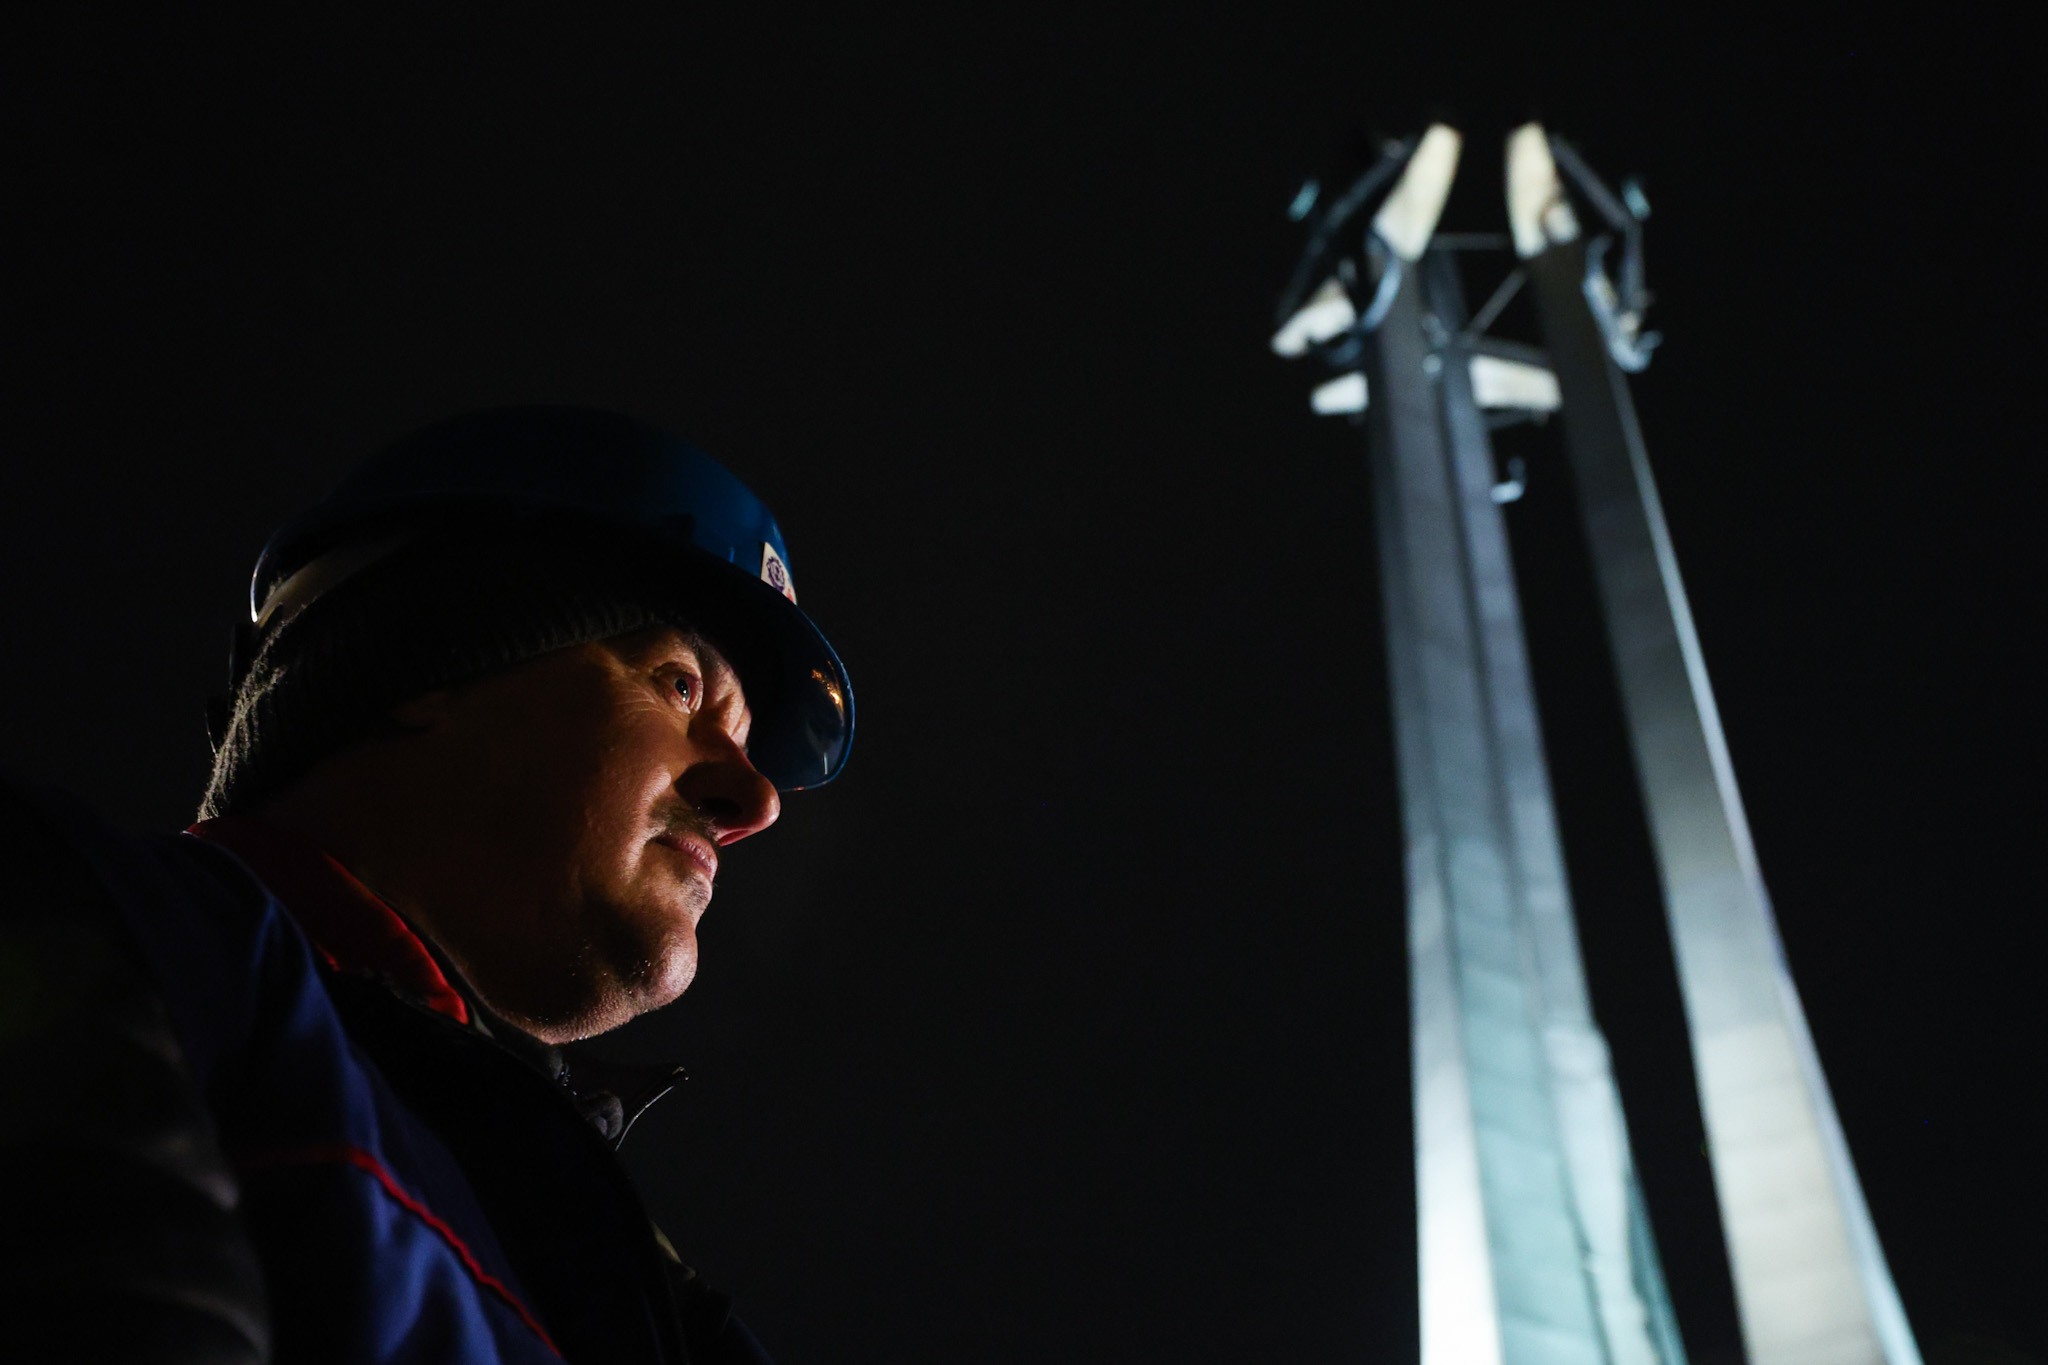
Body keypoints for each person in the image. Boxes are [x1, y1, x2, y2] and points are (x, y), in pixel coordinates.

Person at [0, 406, 855, 1364]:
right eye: (680, 686)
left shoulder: (636, 1287)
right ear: (426, 667)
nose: (754, 801)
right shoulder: (99, 929)